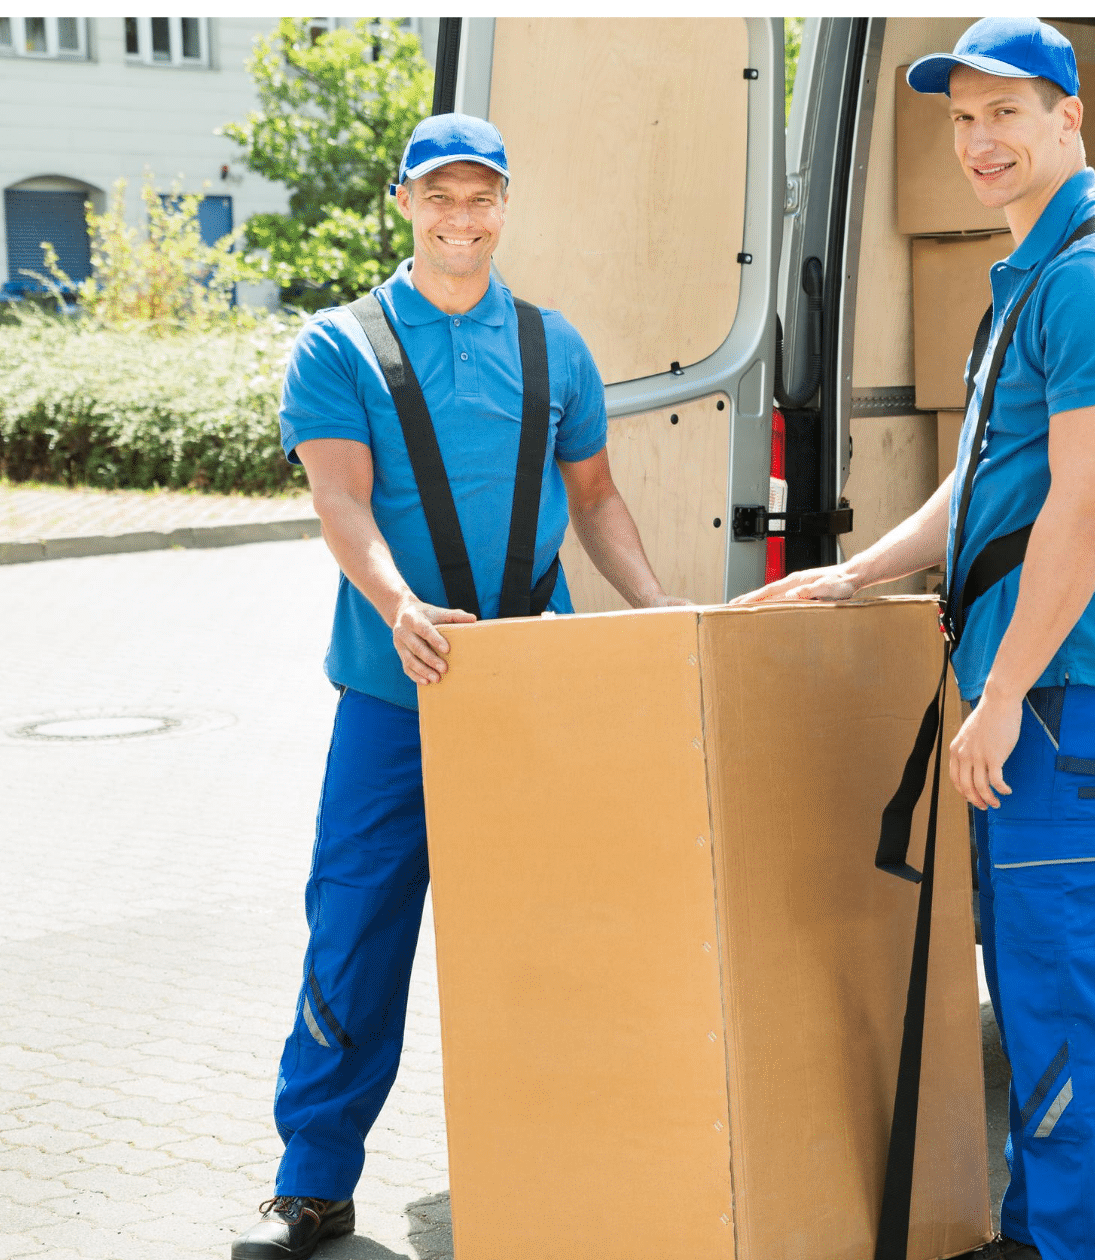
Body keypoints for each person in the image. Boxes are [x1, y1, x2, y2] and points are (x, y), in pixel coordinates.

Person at [737, 17, 1095, 1260]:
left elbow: (1086, 511)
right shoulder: (1032, 275)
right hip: (1029, 684)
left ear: (1068, 120)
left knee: (1059, 987)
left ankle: (1085, 1247)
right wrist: (856, 573)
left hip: (1060, 692)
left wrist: (1002, 697)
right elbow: (990, 484)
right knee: (1030, 982)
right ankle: (1036, 1233)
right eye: (960, 118)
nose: (979, 141)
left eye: (1006, 113)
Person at [234, 113, 688, 1260]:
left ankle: (561, 1155)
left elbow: (595, 503)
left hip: (538, 689)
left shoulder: (554, 348)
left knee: (556, 931)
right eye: (439, 197)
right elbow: (340, 502)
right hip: (397, 694)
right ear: (402, 204)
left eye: (480, 196)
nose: (461, 217)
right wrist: (399, 609)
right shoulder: (339, 346)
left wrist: (663, 612)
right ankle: (314, 1180)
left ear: (503, 205)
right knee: (356, 925)